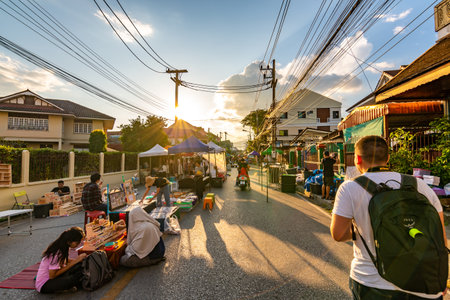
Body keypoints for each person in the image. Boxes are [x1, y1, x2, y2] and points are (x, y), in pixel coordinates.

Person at [330, 135, 447, 299]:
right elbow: (439, 237)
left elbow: (338, 234)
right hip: (424, 283)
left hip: (372, 283)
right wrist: (440, 276)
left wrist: (360, 230)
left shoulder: (350, 188)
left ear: (357, 159)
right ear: (388, 158)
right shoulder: (420, 185)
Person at [35, 227, 86, 294]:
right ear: (69, 242)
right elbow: (52, 276)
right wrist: (76, 261)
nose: (79, 244)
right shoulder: (57, 253)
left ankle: (67, 286)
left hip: (53, 279)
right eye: (77, 242)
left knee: (80, 267)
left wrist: (79, 261)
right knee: (77, 276)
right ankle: (65, 287)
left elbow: (65, 261)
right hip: (44, 285)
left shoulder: (63, 246)